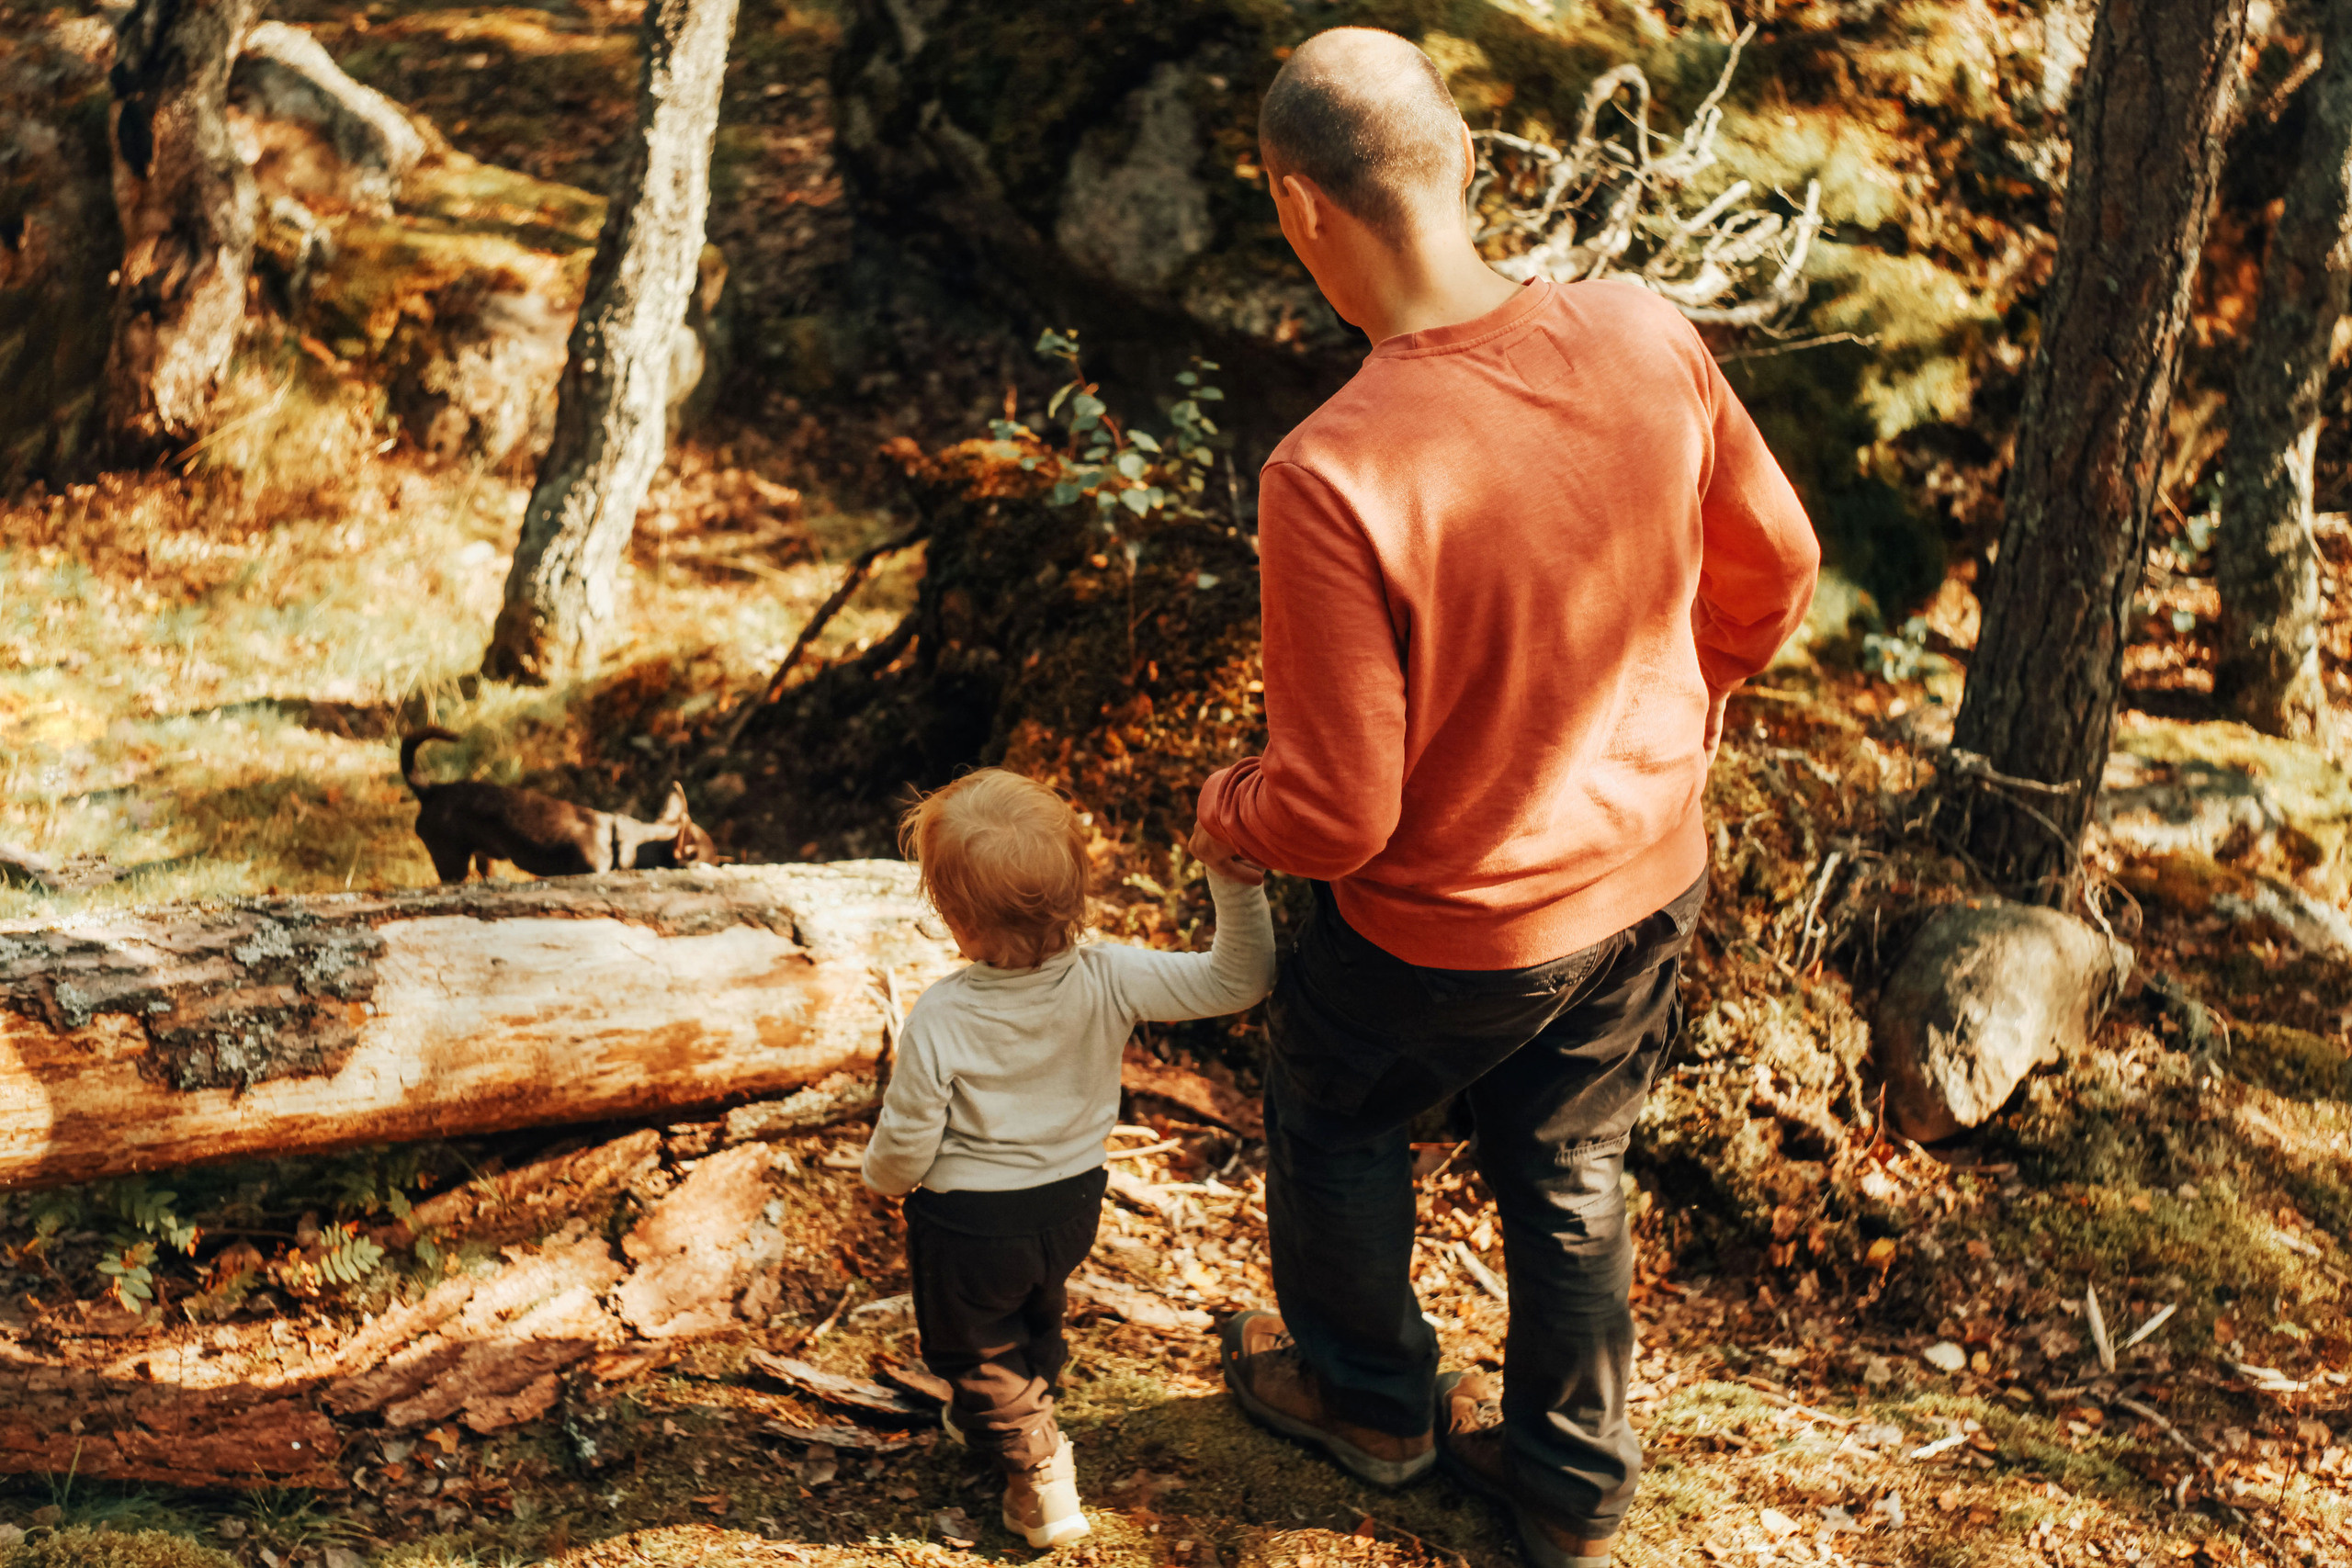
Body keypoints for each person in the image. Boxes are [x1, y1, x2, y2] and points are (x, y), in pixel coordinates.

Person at [1186, 27, 1821, 1568]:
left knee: (1337, 1118)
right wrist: (1703, 693)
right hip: (1654, 872)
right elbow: (1782, 563)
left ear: (1299, 209)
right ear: (1469, 159)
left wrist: (1231, 813)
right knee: (1569, 1160)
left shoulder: (1334, 471)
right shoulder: (1643, 328)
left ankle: (1371, 1400)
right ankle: (1568, 1481)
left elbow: (1336, 814)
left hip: (1448, 932)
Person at [864, 768, 1277, 1550]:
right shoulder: (1109, 976)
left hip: (969, 1220)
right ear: (1079, 892)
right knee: (1033, 1305)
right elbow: (1239, 978)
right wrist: (1233, 879)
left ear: (955, 922)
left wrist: (882, 1180)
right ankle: (1015, 1401)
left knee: (968, 1337)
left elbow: (911, 1128)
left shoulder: (943, 1013)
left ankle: (1038, 1468)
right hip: (1071, 1203)